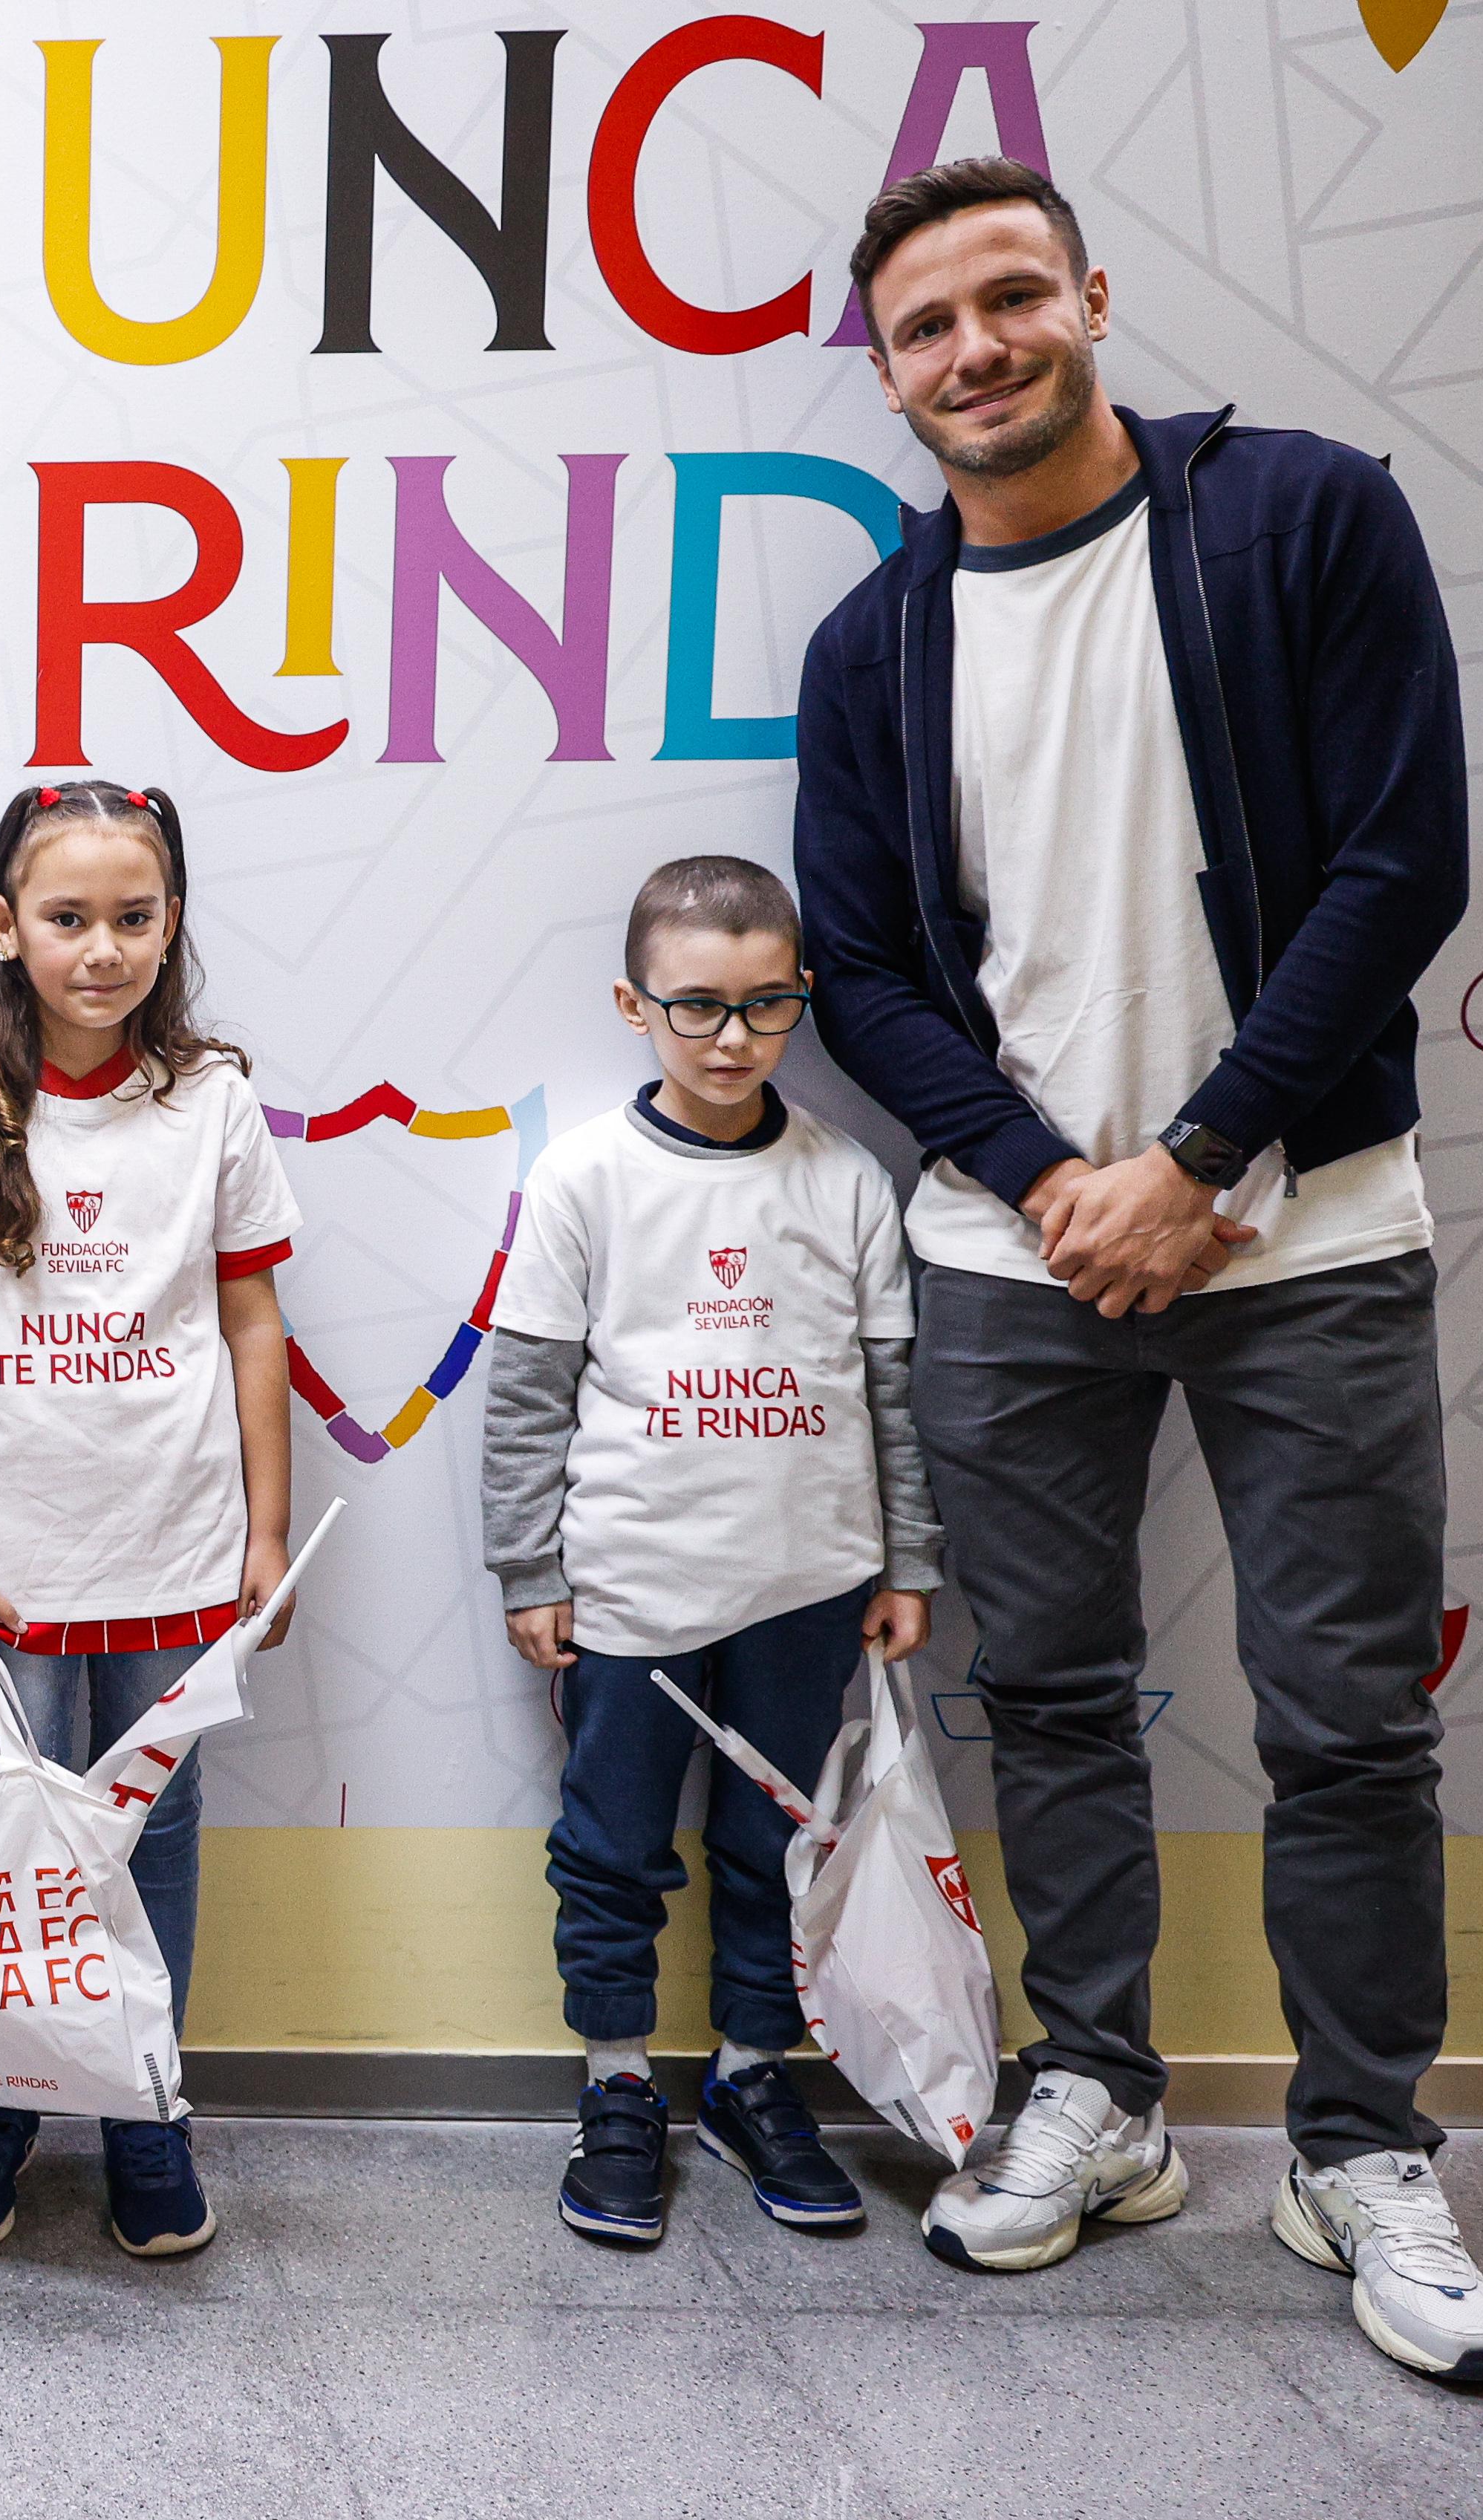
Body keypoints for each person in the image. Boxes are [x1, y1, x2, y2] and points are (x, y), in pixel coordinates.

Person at [794, 158, 1483, 2384]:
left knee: (1343, 1722)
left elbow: (1403, 860)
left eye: (1011, 298)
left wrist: (1196, 1156)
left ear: (1090, 298)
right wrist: (1050, 1185)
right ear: (887, 373)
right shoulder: (874, 640)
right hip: (1013, 1256)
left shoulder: (1296, 520)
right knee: (1064, 1696)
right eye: (927, 326)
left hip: (1303, 1226)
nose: (975, 348)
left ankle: (1361, 2145)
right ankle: (1091, 2092)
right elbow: (864, 974)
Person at [478, 856, 939, 2250]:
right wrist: (529, 1570)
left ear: (800, 998)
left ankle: (752, 2080)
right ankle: (618, 2087)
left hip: (810, 1586)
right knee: (612, 1850)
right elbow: (524, 1397)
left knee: (776, 1846)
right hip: (631, 1594)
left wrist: (908, 1560)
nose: (733, 1039)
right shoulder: (581, 1179)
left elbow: (891, 1395)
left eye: (765, 1005)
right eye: (696, 1008)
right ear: (635, 1004)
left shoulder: (848, 1179)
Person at [0, 778, 301, 2261]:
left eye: (133, 916)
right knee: (18, 1840)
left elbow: (251, 1321)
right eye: (67, 917)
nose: (101, 947)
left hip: (173, 1543)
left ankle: (143, 2104)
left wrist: (263, 1526)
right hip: (10, 1557)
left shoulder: (212, 1101)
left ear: (169, 922)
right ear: (2, 928)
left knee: (154, 1828)